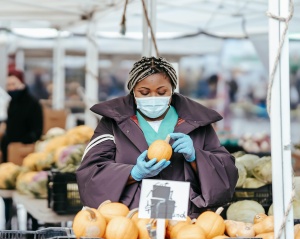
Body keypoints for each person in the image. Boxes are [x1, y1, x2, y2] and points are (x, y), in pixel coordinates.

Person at [76, 56, 238, 218]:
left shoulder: (197, 122)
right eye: (144, 92)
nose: (153, 98)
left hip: (184, 219)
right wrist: (133, 173)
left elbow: (226, 175)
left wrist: (197, 157)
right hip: (131, 219)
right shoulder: (113, 123)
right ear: (132, 91)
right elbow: (90, 174)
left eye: (161, 92)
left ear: (172, 90)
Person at [0, 69, 43, 162]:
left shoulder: (32, 103)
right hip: (8, 149)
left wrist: (21, 143)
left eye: (14, 84)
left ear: (21, 83)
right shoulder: (10, 102)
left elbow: (37, 130)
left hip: (24, 151)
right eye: (8, 85)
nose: (11, 88)